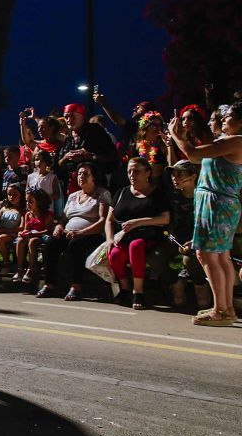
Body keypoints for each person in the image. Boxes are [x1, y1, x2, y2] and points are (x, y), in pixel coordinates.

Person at [170, 105, 242, 325]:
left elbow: (193, 155)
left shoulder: (236, 141)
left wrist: (176, 136)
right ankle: (226, 308)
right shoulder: (225, 141)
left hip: (218, 203)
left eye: (227, 117)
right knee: (219, 256)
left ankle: (221, 310)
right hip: (215, 203)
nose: (221, 121)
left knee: (206, 254)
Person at [104, 157, 171, 310]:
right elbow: (109, 220)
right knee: (114, 254)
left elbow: (165, 218)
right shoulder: (121, 192)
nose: (132, 175)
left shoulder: (157, 193)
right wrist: (109, 239)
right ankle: (125, 288)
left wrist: (137, 223)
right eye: (129, 172)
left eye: (136, 171)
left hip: (147, 235)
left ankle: (138, 291)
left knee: (136, 245)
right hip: (122, 236)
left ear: (148, 173)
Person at [37, 162, 111, 300]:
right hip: (69, 232)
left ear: (93, 177)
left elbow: (102, 221)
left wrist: (81, 233)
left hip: (91, 234)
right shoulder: (73, 196)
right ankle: (49, 285)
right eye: (79, 174)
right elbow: (63, 219)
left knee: (75, 246)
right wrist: (59, 227)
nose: (81, 176)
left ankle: (76, 287)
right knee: (51, 244)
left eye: (86, 174)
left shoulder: (102, 194)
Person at [166, 159, 211, 311]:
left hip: (200, 241)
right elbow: (170, 223)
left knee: (190, 258)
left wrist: (195, 241)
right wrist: (172, 235)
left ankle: (200, 287)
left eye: (180, 174)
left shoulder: (203, 197)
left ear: (192, 176)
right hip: (177, 241)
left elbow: (208, 224)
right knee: (159, 256)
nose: (175, 178)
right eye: (173, 174)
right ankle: (176, 282)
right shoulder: (173, 197)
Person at [56, 102, 117, 194]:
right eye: (66, 117)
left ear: (82, 117)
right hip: (71, 188)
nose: (68, 120)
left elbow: (113, 158)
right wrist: (66, 157)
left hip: (95, 186)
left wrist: (89, 156)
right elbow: (57, 166)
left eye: (72, 116)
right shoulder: (68, 138)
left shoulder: (95, 131)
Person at [14, 189, 53, 284]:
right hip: (30, 236)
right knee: (20, 240)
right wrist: (23, 233)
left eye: (31, 202)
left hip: (42, 237)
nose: (28, 204)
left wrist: (34, 234)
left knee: (32, 241)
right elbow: (26, 229)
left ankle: (30, 269)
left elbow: (48, 230)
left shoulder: (47, 215)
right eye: (27, 201)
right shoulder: (28, 214)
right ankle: (20, 268)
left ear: (39, 202)